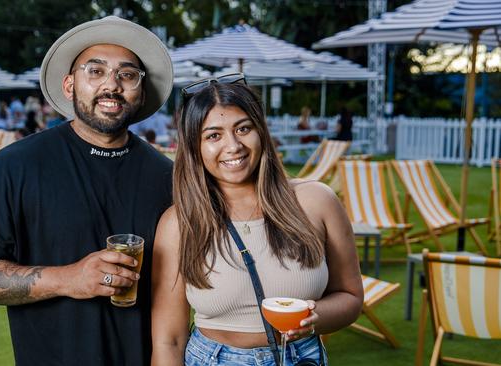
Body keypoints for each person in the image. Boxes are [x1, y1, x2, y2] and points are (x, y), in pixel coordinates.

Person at [0, 16, 174, 366]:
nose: (111, 86)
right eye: (95, 71)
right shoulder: (14, 166)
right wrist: (69, 279)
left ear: (141, 91)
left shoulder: (168, 177)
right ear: (69, 85)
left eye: (127, 75)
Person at [151, 79, 363, 365]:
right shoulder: (179, 224)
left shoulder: (317, 201)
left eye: (243, 129)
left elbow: (350, 296)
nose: (233, 146)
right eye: (213, 136)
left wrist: (314, 317)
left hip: (300, 357)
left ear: (261, 132)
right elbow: (169, 340)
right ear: (194, 147)